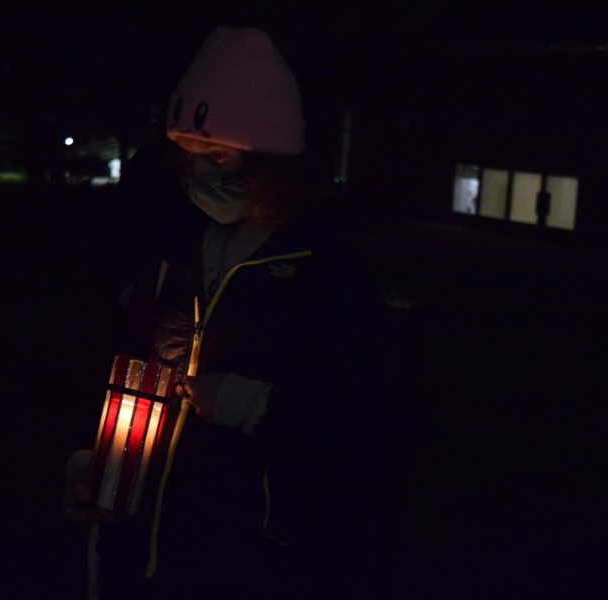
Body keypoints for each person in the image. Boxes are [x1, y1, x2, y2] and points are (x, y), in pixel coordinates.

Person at [65, 26, 400, 599]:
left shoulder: (327, 269)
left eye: (217, 156)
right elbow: (125, 362)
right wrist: (91, 459)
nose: (199, 175)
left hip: (251, 562)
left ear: (271, 161)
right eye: (190, 157)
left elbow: (366, 417)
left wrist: (258, 406)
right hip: (145, 551)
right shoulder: (176, 251)